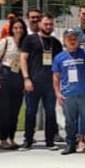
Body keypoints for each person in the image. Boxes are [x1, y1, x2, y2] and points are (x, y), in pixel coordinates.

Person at [19, 13, 62, 150]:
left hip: (50, 84)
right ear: (39, 24)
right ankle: (28, 140)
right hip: (33, 82)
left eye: (51, 24)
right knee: (31, 112)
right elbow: (23, 59)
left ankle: (50, 141)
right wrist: (26, 78)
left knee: (50, 112)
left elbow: (60, 64)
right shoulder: (30, 40)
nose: (48, 26)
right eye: (46, 24)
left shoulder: (56, 43)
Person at [52, 29, 85, 155]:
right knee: (69, 122)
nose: (72, 41)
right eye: (69, 38)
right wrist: (57, 93)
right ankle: (70, 145)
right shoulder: (59, 57)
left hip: (84, 94)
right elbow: (56, 76)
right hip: (67, 95)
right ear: (64, 40)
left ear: (78, 40)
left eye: (74, 38)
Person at [0, 18, 27, 149]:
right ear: (11, 29)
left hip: (19, 77)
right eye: (16, 28)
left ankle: (11, 137)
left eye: (21, 28)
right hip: (5, 76)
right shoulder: (5, 42)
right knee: (4, 110)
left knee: (15, 110)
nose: (18, 30)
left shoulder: (25, 43)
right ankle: (3, 138)